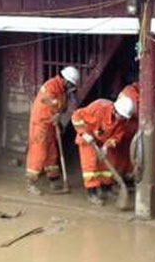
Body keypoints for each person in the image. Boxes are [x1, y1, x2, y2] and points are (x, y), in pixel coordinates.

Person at [71, 96, 135, 206]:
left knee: (109, 163)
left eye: (124, 117)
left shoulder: (123, 121)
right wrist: (83, 133)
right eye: (121, 116)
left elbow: (116, 137)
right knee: (90, 165)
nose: (121, 119)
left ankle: (106, 188)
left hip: (103, 140)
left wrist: (106, 146)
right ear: (115, 109)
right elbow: (76, 116)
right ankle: (92, 193)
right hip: (87, 138)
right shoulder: (99, 106)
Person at [26, 66, 80, 195]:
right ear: (65, 80)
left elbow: (64, 106)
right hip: (41, 123)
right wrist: (55, 114)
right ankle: (30, 183)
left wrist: (58, 116)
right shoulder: (51, 86)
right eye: (71, 84)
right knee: (39, 153)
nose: (71, 87)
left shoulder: (62, 90)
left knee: (52, 152)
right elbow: (46, 101)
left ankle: (53, 180)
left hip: (51, 124)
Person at [111, 82, 140, 184]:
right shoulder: (132, 93)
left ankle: (124, 178)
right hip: (126, 130)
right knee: (123, 157)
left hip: (129, 130)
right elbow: (138, 111)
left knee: (127, 157)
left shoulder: (130, 90)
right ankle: (120, 179)